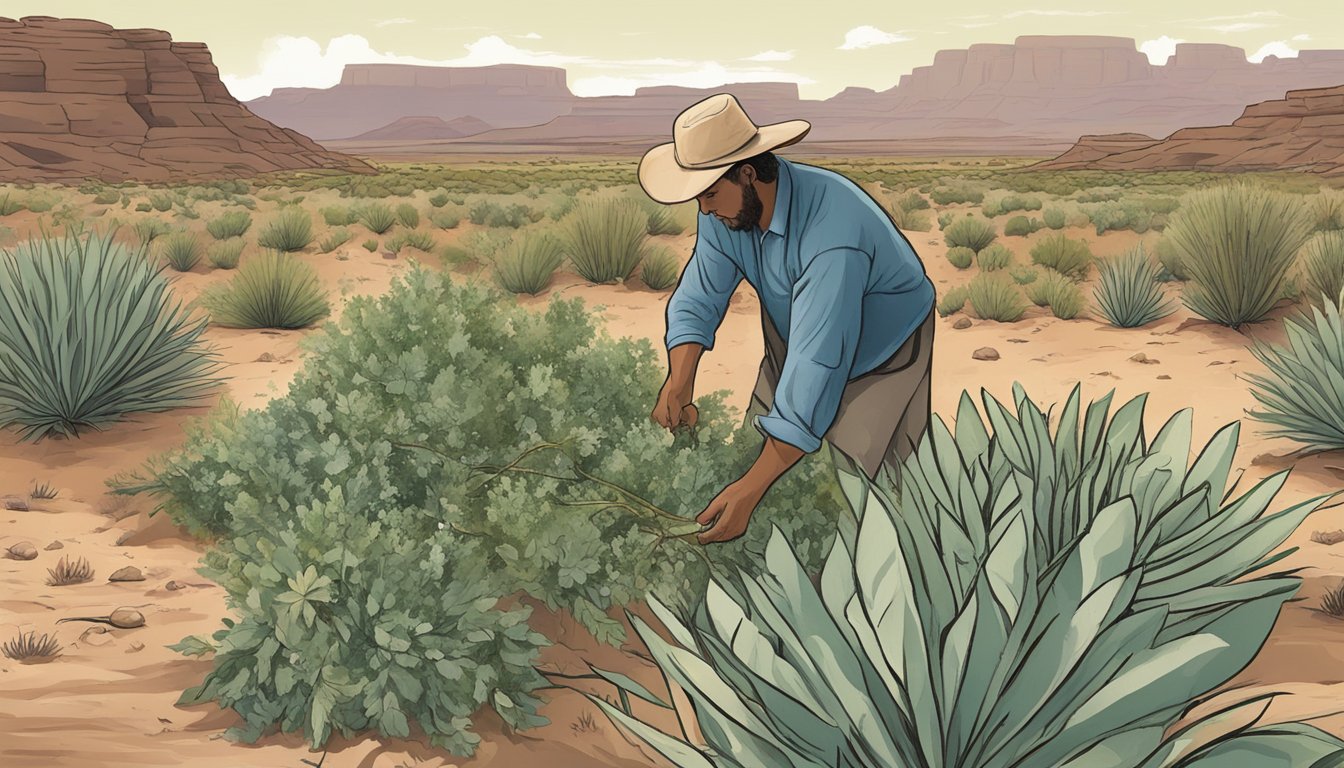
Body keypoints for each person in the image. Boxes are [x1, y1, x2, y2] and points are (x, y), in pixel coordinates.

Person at [638, 93, 937, 545]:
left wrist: (751, 490)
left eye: (711, 194)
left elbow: (819, 362)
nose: (704, 209)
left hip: (884, 352)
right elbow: (699, 296)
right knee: (754, 457)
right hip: (796, 331)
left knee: (847, 494)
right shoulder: (727, 212)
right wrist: (678, 382)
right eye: (698, 196)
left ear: (748, 173)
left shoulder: (833, 232)